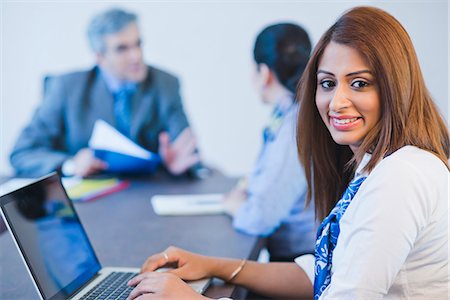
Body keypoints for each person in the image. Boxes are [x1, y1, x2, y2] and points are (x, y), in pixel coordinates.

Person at [125, 6, 449, 299]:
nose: (336, 102)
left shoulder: (399, 177)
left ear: (396, 85)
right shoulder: (378, 166)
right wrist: (214, 266)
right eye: (327, 83)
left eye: (360, 83)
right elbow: (325, 275)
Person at [10, 8, 202, 178]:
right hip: (91, 203)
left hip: (145, 199)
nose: (136, 56)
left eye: (138, 44)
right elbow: (23, 153)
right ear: (100, 57)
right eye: (122, 48)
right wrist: (71, 164)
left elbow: (188, 153)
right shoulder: (66, 88)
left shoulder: (165, 83)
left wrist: (178, 165)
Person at [223, 23, 316, 262]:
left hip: (300, 263)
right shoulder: (290, 114)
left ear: (264, 73)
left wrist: (235, 207)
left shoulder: (295, 128)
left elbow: (259, 219)